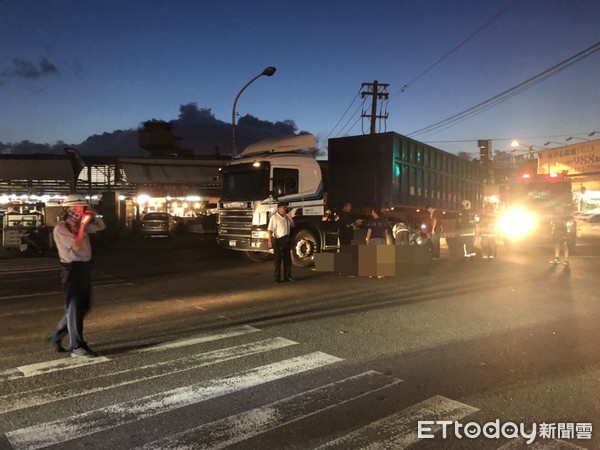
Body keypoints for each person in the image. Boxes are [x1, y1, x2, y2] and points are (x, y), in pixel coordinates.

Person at [45, 194, 106, 358]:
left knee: (83, 306)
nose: (80, 210)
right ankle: (77, 345)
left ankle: (56, 335)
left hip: (84, 268)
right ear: (69, 209)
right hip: (72, 270)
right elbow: (76, 245)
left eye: (82, 207)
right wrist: (82, 226)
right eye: (77, 207)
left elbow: (101, 226)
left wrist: (93, 213)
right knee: (75, 308)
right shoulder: (61, 228)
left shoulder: (82, 224)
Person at [268, 202, 295, 283]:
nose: (285, 209)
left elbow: (293, 225)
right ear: (278, 208)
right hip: (277, 240)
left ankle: (287, 276)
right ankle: (277, 278)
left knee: (288, 260)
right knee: (278, 260)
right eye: (283, 207)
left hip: (286, 239)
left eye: (285, 207)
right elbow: (269, 230)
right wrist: (269, 241)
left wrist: (290, 217)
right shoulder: (274, 217)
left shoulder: (286, 217)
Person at [365, 207, 391, 278]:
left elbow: (369, 232)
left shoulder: (372, 222)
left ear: (375, 213)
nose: (372, 213)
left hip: (373, 240)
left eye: (372, 212)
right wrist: (385, 241)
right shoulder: (384, 222)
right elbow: (385, 233)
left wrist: (367, 241)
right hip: (381, 240)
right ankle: (380, 274)